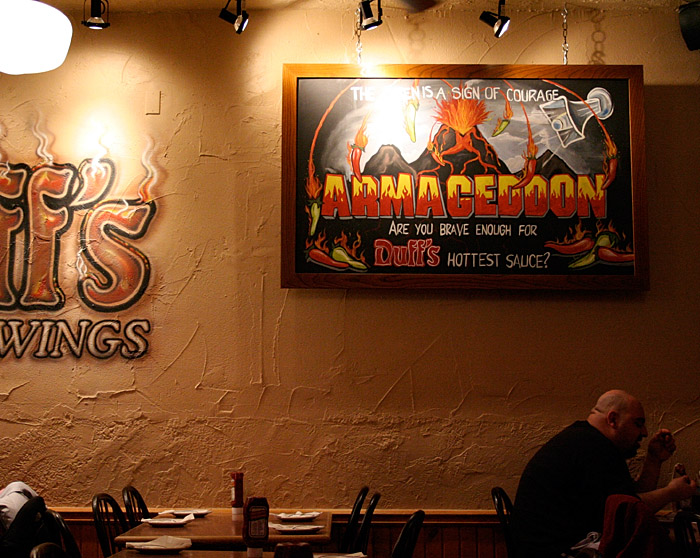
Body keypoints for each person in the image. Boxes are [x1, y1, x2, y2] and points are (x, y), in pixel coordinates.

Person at [512, 389, 697, 558]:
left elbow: (628, 502)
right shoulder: (593, 449)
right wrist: (672, 493)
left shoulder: (587, 440)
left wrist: (654, 459)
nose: (644, 432)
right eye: (638, 424)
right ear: (613, 420)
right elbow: (627, 512)